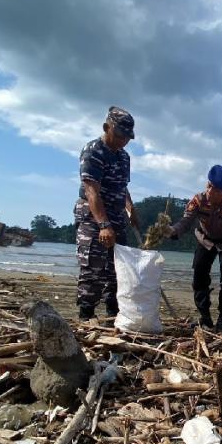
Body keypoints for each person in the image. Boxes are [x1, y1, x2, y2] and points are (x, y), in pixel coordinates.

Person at [74, 106, 139, 321]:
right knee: (93, 266)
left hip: (118, 216)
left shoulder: (124, 157)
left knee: (119, 268)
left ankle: (114, 315)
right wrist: (104, 225)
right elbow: (91, 189)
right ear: (106, 127)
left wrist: (130, 208)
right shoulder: (94, 151)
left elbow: (122, 187)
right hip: (94, 216)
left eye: (127, 137)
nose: (123, 141)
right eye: (120, 135)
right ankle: (86, 315)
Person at [166, 165, 222, 332]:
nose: (209, 192)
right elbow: (186, 222)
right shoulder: (198, 200)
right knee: (199, 277)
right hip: (204, 240)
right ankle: (205, 317)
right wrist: (172, 231)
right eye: (208, 186)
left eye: (215, 190)